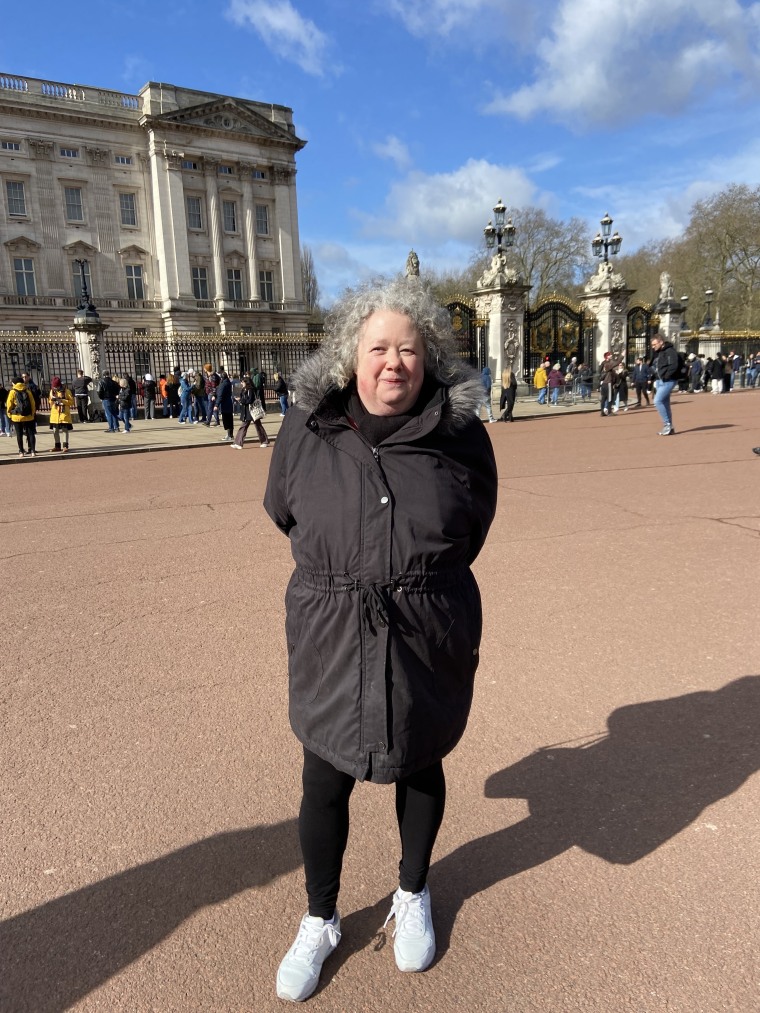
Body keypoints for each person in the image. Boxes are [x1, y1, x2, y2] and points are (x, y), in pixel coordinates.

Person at [264, 278, 498, 1003]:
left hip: (426, 624)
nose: (392, 362)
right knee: (322, 777)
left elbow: (475, 523)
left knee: (420, 765)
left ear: (427, 358)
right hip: (332, 625)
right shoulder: (308, 424)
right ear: (350, 356)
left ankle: (413, 890)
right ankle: (320, 915)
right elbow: (283, 507)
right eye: (378, 348)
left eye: (408, 348)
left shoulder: (462, 435)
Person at [650, 331, 678, 435]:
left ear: (661, 342)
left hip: (668, 380)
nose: (653, 347)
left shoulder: (670, 351)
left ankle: (667, 425)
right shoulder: (657, 352)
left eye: (654, 344)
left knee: (657, 401)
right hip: (659, 380)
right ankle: (670, 427)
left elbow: (673, 365)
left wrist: (666, 376)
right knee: (665, 404)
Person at [231, 373, 269, 449]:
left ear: (246, 382)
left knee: (258, 426)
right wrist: (240, 399)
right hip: (246, 411)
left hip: (252, 411)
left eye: (242, 382)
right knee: (244, 426)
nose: (241, 383)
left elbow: (250, 400)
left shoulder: (250, 390)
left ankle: (264, 441)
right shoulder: (243, 390)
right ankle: (238, 443)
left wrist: (241, 400)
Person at [6, 375, 37, 457]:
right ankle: (33, 451)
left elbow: (9, 405)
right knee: (30, 434)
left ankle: (21, 451)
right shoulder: (27, 391)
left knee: (19, 435)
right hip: (28, 416)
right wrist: (33, 413)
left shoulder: (12, 392)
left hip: (17, 416)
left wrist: (9, 414)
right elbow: (33, 403)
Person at [48, 377, 74, 452]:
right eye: (54, 387)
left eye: (56, 386)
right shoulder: (52, 391)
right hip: (55, 414)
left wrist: (62, 400)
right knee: (55, 430)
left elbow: (71, 402)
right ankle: (57, 446)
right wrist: (52, 400)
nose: (55, 388)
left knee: (64, 430)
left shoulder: (66, 391)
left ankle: (65, 446)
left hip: (63, 413)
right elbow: (50, 401)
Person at [216, 370, 234, 441]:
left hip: (224, 404)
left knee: (226, 420)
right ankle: (230, 435)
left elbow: (220, 395)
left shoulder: (223, 384)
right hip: (229, 403)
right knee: (230, 419)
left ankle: (229, 435)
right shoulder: (228, 382)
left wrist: (216, 404)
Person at [599, 352, 616, 417]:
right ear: (607, 356)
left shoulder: (603, 363)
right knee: (609, 398)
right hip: (608, 383)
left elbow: (599, 371)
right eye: (609, 355)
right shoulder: (609, 364)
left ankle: (602, 412)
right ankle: (609, 412)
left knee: (603, 398)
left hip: (603, 383)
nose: (611, 355)